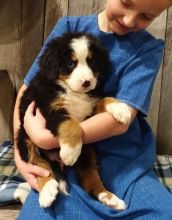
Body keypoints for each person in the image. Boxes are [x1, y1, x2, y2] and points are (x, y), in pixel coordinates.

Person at [13, 0, 172, 219]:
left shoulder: (148, 49)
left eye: (146, 16)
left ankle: (100, 192)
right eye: (125, 2)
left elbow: (120, 121)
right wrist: (20, 155)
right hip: (61, 163)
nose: (129, 19)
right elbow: (27, 90)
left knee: (165, 212)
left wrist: (44, 138)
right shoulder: (68, 26)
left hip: (124, 162)